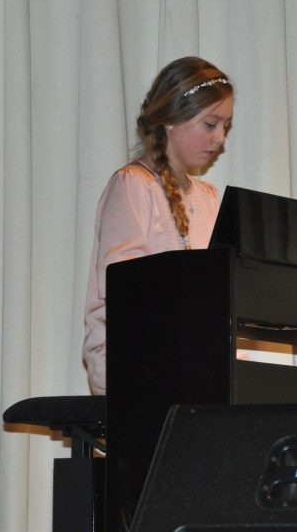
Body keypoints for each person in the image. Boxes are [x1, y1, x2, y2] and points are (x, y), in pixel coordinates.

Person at [82, 57, 233, 394]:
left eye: (226, 126)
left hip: (189, 365)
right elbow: (128, 294)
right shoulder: (134, 185)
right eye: (210, 124)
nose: (220, 138)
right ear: (171, 120)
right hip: (134, 367)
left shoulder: (208, 197)